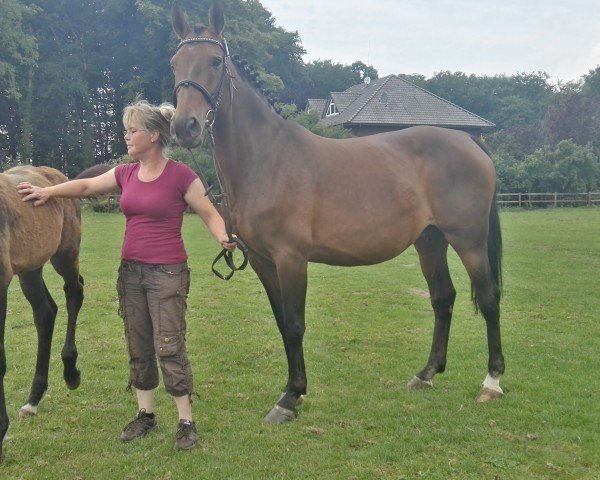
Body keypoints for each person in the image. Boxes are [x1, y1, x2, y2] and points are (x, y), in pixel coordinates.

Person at [18, 99, 236, 451]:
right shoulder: (126, 173)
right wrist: (48, 191)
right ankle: (145, 415)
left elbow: (209, 213)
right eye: (125, 130)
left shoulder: (181, 175)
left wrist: (223, 237)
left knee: (169, 345)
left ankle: (185, 420)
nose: (126, 136)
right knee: (138, 345)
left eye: (132, 131)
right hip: (130, 273)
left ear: (152, 135)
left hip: (167, 272)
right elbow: (85, 187)